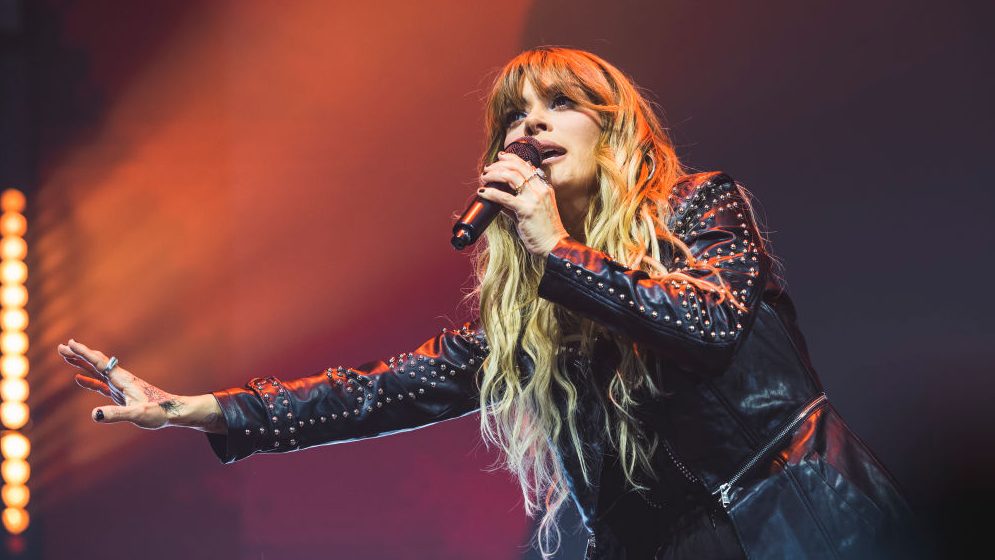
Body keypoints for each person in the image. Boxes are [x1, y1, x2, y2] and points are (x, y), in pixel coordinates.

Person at [57, 47, 916, 559]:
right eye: (512, 115)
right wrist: (200, 408)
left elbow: (705, 326)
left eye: (558, 104)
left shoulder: (698, 209)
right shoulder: (535, 311)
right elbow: (381, 388)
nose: (526, 127)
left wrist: (554, 247)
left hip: (786, 528)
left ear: (612, 128)